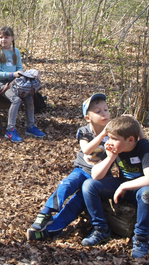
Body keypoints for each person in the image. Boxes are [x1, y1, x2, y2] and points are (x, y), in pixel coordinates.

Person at [26, 93, 110, 241]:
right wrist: (102, 135)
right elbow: (86, 150)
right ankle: (45, 213)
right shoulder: (85, 131)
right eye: (98, 112)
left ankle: (51, 230)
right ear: (88, 118)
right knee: (66, 184)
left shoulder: (113, 133)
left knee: (76, 203)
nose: (104, 114)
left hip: (98, 179)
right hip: (82, 171)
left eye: (106, 109)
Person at [81, 116, 149, 258]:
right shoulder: (115, 148)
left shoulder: (143, 147)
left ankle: (142, 239)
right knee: (89, 186)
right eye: (109, 138)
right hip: (122, 185)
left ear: (130, 140)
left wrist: (125, 185)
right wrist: (111, 156)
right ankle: (101, 229)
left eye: (114, 139)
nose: (110, 142)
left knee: (146, 194)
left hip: (140, 187)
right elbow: (95, 175)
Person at [0, 26, 45, 142]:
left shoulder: (16, 51)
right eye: (1, 37)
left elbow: (19, 68)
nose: (3, 40)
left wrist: (23, 74)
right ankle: (10, 130)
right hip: (1, 84)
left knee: (29, 95)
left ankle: (30, 127)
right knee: (16, 99)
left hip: (16, 82)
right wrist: (12, 74)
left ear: (12, 38)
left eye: (6, 37)